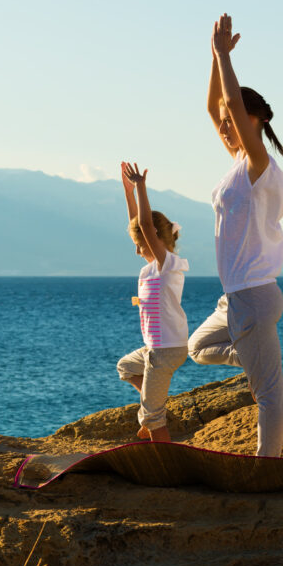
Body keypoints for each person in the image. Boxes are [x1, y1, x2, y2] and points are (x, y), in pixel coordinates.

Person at [188, 13, 283, 457]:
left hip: (253, 294)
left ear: (253, 121)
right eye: (225, 122)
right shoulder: (237, 164)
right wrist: (213, 57)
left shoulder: (258, 165)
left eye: (234, 118)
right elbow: (214, 107)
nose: (224, 125)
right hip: (235, 297)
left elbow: (226, 100)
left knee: (268, 395)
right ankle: (252, 357)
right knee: (199, 347)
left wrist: (227, 57)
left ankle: (267, 464)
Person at [116, 161, 190, 443]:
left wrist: (141, 186)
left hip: (167, 349)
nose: (136, 250)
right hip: (154, 349)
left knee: (150, 416)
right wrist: (128, 192)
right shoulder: (151, 267)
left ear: (154, 238)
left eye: (141, 243)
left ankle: (164, 453)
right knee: (126, 366)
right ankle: (154, 399)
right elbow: (138, 224)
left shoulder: (167, 265)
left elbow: (145, 224)